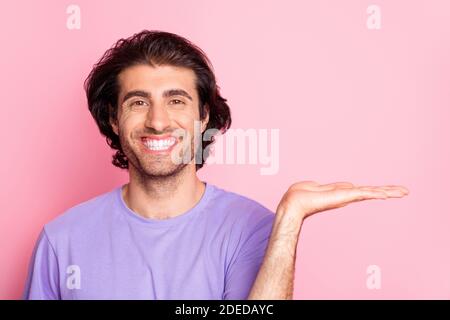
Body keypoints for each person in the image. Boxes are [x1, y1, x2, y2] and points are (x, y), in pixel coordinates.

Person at [23, 30, 409, 300]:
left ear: (204, 116)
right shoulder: (61, 241)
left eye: (176, 100)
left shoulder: (253, 229)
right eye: (138, 102)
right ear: (112, 118)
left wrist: (289, 219)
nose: (158, 121)